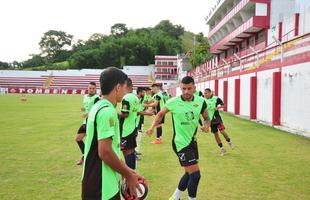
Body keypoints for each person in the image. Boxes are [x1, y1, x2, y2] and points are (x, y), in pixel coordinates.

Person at [82, 67, 142, 200]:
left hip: (98, 181)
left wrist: (127, 170)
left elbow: (111, 148)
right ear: (118, 87)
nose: (126, 92)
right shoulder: (107, 111)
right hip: (101, 186)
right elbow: (105, 152)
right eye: (125, 87)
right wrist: (128, 174)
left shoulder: (98, 106)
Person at [146, 76, 211, 200]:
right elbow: (160, 114)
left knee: (189, 173)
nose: (186, 91)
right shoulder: (173, 102)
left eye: (189, 88)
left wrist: (206, 126)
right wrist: (152, 127)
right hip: (180, 143)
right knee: (196, 175)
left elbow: (207, 118)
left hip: (192, 142)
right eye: (183, 89)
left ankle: (175, 197)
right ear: (180, 88)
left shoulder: (200, 101)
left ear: (194, 88)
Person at [204, 88, 235, 156]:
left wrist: (217, 108)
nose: (204, 94)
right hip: (210, 120)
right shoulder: (203, 100)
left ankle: (230, 142)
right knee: (216, 134)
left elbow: (224, 105)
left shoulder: (216, 99)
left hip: (217, 118)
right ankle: (222, 149)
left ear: (210, 93)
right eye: (204, 93)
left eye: (206, 93)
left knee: (222, 131)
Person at [75, 82, 100, 165]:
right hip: (85, 122)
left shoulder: (97, 98)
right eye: (90, 88)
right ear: (87, 88)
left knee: (92, 143)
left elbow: (97, 111)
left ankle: (88, 159)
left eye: (93, 88)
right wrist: (83, 111)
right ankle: (84, 155)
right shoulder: (85, 96)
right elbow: (84, 108)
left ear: (95, 89)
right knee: (78, 139)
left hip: (92, 123)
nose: (91, 90)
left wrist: (89, 115)